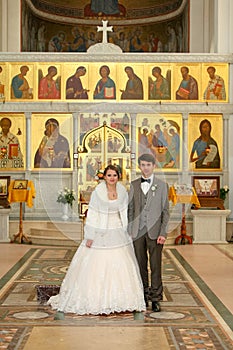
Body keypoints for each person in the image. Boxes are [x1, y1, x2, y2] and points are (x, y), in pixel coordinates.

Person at [48, 165, 146, 315]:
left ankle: (122, 300)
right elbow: (93, 213)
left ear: (118, 177)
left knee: (123, 263)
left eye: (115, 175)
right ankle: (96, 300)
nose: (112, 178)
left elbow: (126, 212)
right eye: (109, 175)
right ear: (104, 177)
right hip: (101, 230)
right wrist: (90, 235)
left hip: (119, 231)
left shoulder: (122, 192)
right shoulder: (98, 192)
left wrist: (129, 230)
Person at [128, 154, 170, 312]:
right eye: (143, 165)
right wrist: (131, 230)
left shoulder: (162, 185)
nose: (145, 168)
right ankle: (143, 295)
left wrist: (163, 233)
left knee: (155, 265)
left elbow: (165, 212)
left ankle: (156, 298)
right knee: (140, 265)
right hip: (138, 232)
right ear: (139, 166)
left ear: (154, 166)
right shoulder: (133, 185)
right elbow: (130, 210)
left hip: (155, 232)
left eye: (148, 165)